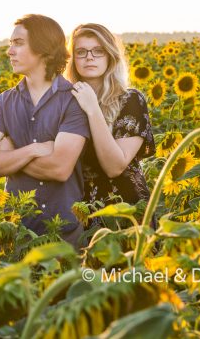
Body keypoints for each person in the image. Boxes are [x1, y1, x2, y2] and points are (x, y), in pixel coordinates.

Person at [0, 14, 89, 248]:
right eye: (10, 44)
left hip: (63, 236)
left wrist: (11, 153)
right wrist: (34, 149)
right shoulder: (3, 102)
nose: (9, 51)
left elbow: (59, 168)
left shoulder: (74, 101)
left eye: (18, 43)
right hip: (16, 233)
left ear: (43, 48)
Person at [65, 23, 156, 227]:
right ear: (72, 60)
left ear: (110, 56)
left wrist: (92, 108)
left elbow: (115, 166)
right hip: (81, 214)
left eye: (98, 51)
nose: (90, 57)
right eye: (81, 52)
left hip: (126, 212)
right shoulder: (65, 103)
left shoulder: (130, 100)